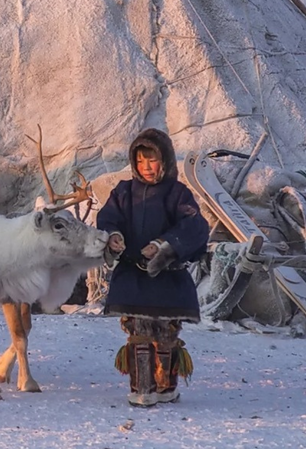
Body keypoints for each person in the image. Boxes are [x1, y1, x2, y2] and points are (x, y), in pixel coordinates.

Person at [96, 127, 209, 407]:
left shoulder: (178, 194)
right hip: (133, 279)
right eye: (141, 161)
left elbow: (194, 225)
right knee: (139, 334)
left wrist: (163, 245)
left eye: (153, 160)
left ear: (166, 160)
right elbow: (108, 218)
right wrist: (114, 237)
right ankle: (142, 388)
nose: (146, 167)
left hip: (167, 281)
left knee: (165, 335)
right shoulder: (123, 192)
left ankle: (165, 386)